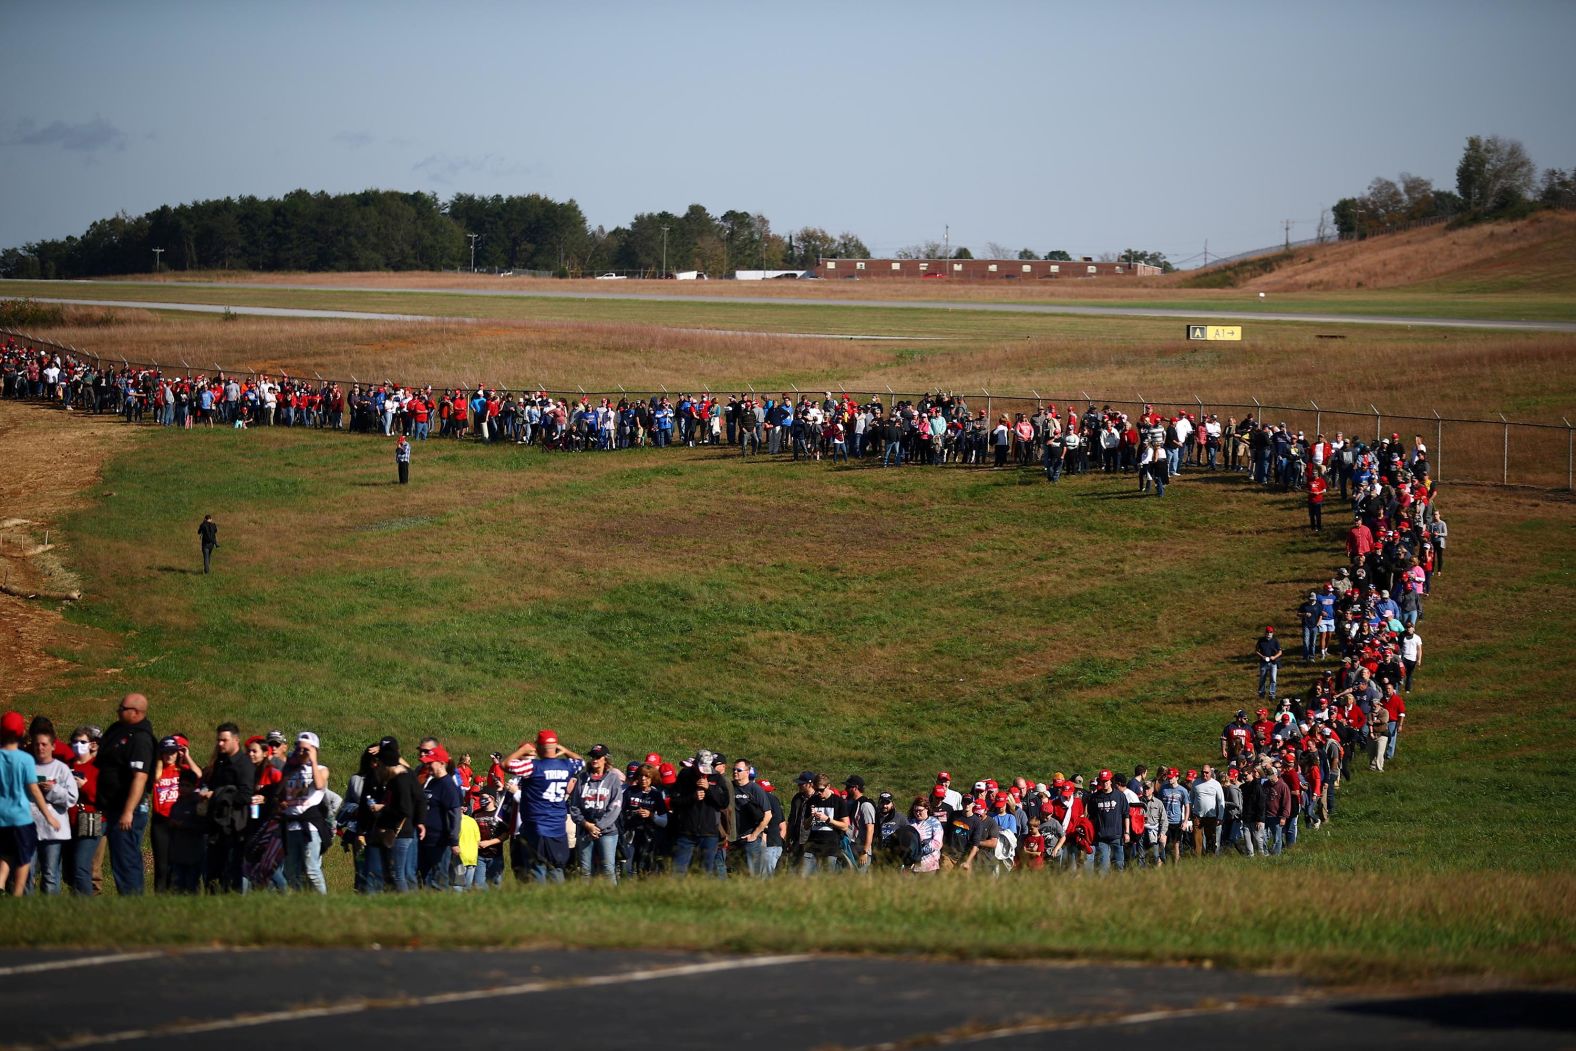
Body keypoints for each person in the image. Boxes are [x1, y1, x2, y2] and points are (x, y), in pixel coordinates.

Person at [504, 729, 583, 882]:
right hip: (558, 827)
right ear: (555, 747)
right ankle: (558, 901)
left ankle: (540, 902)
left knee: (537, 868)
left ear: (539, 747)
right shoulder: (566, 766)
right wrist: (565, 750)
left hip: (536, 826)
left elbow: (505, 764)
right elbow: (581, 762)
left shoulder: (534, 767)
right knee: (557, 867)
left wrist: (522, 750)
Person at [98, 693, 155, 895]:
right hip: (109, 807)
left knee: (126, 859)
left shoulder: (140, 739)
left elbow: (140, 777)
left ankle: (132, 902)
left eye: (122, 708)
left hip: (126, 810)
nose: (118, 711)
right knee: (119, 857)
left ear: (136, 712)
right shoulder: (117, 730)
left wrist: (128, 811)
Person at [1, 711, 59, 895]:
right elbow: (34, 789)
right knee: (24, 858)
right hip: (20, 817)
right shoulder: (25, 759)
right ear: (22, 732)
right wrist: (49, 815)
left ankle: (0, 884)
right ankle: (17, 896)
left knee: (5, 855)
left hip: (1, 817)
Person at [277, 732, 331, 894]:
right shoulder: (289, 770)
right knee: (291, 871)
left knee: (311, 869)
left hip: (310, 827)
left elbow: (320, 784)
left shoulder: (321, 769)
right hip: (291, 825)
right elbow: (280, 791)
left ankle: (324, 901)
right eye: (298, 749)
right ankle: (300, 900)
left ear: (315, 750)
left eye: (306, 750)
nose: (301, 753)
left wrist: (312, 760)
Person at [29, 726, 76, 894]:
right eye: (37, 745)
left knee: (50, 874)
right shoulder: (27, 766)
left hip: (53, 829)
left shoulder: (61, 769)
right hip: (30, 826)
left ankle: (49, 912)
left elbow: (72, 797)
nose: (40, 748)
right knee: (27, 872)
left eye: (44, 744)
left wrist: (52, 789)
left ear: (52, 746)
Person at [569, 744, 623, 883]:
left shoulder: (613, 779)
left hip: (607, 831)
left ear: (605, 759)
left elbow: (615, 806)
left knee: (608, 869)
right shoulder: (582, 778)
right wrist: (586, 825)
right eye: (593, 756)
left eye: (598, 757)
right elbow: (574, 806)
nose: (594, 759)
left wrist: (598, 826)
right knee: (585, 870)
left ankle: (612, 900)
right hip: (584, 829)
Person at [63, 726, 103, 895]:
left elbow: (101, 797)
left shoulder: (97, 767)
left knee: (82, 866)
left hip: (90, 819)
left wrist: (84, 785)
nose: (78, 745)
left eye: (82, 742)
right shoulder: (65, 766)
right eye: (74, 742)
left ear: (91, 745)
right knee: (70, 871)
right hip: (67, 821)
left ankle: (87, 905)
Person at [417, 744, 462, 890]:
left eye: (431, 763)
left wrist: (454, 841)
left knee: (439, 881)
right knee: (426, 880)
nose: (428, 765)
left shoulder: (448, 785)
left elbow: (455, 814)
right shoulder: (432, 782)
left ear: (442, 763)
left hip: (440, 842)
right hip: (425, 841)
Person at [728, 759, 771, 878]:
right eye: (734, 770)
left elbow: (768, 815)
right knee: (733, 874)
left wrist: (755, 835)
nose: (735, 772)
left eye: (739, 770)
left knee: (750, 874)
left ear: (747, 772)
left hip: (749, 840)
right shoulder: (729, 787)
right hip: (732, 839)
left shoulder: (755, 789)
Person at [1086, 770, 1128, 873]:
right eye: (1102, 781)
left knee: (1119, 865)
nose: (1105, 783)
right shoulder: (1095, 798)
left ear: (1111, 781)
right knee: (1102, 867)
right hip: (1101, 838)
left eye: (1107, 781)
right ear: (1099, 781)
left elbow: (1126, 815)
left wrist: (1127, 833)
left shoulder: (1120, 796)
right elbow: (1091, 816)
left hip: (1117, 836)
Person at [1255, 626, 1282, 699]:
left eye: (1270, 632)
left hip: (1273, 662)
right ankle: (1261, 693)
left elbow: (1280, 652)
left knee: (1273, 679)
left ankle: (1272, 694)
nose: (1269, 634)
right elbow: (1257, 651)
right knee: (1262, 678)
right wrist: (1262, 656)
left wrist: (1274, 657)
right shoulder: (1261, 640)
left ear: (1273, 633)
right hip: (1263, 662)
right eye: (1267, 632)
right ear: (1265, 633)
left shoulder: (1275, 641)